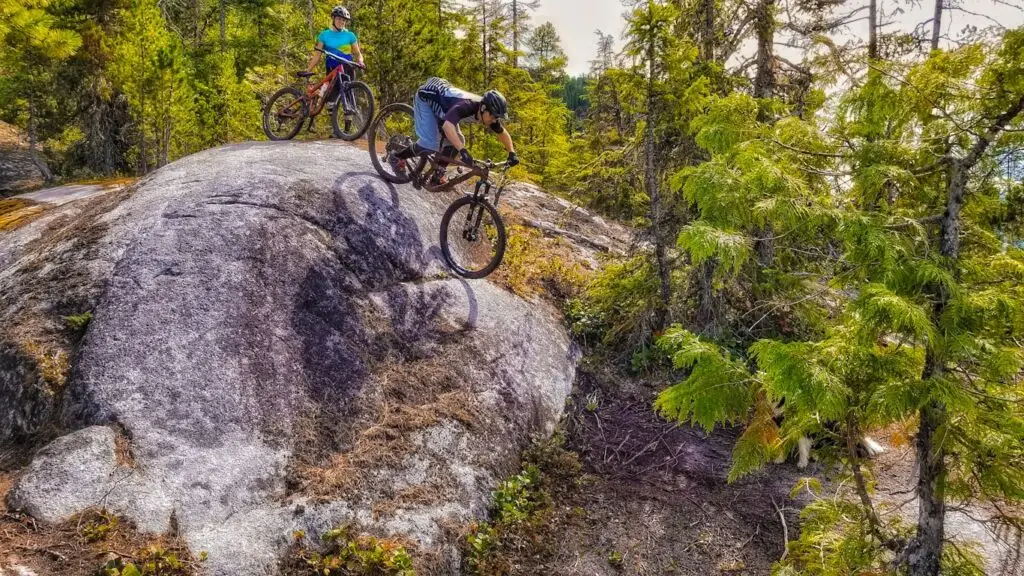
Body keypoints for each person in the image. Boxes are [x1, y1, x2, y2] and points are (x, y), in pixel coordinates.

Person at [389, 77, 519, 185]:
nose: (494, 120)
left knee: (458, 140)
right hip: (427, 98)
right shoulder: (466, 106)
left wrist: (512, 152)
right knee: (430, 143)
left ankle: (437, 173)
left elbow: (501, 132)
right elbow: (447, 126)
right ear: (484, 108)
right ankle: (396, 156)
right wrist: (463, 151)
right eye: (493, 116)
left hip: (444, 105)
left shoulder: (486, 113)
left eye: (497, 117)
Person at [304, 6, 364, 109]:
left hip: (347, 69)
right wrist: (308, 69)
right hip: (332, 70)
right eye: (339, 19)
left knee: (349, 99)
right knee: (330, 104)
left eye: (344, 20)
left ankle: (348, 119)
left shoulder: (350, 35)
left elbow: (358, 54)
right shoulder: (324, 35)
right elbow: (317, 55)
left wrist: (360, 61)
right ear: (333, 19)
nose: (341, 22)